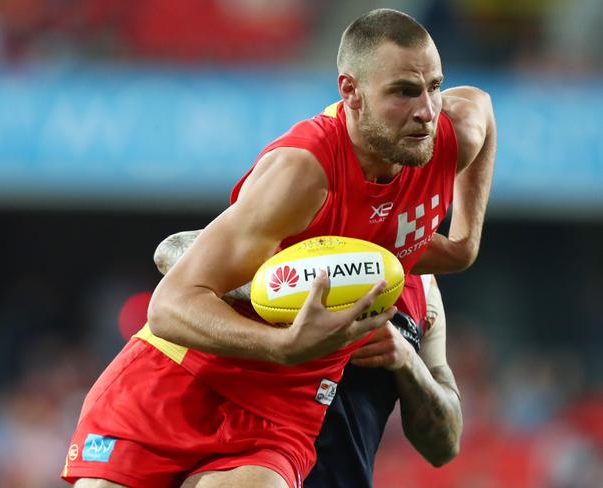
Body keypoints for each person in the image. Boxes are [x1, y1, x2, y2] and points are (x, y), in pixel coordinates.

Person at [63, 8, 495, 488]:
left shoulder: (455, 133)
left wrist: (464, 245)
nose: (426, 112)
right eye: (403, 92)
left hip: (279, 410)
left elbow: (481, 106)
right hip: (183, 380)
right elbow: (169, 307)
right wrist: (284, 344)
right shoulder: (303, 174)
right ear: (350, 92)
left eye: (434, 86)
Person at [154, 231, 455, 488]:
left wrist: (407, 361)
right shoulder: (294, 226)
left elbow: (444, 446)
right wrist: (271, 293)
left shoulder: (424, 290)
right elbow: (172, 250)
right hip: (242, 469)